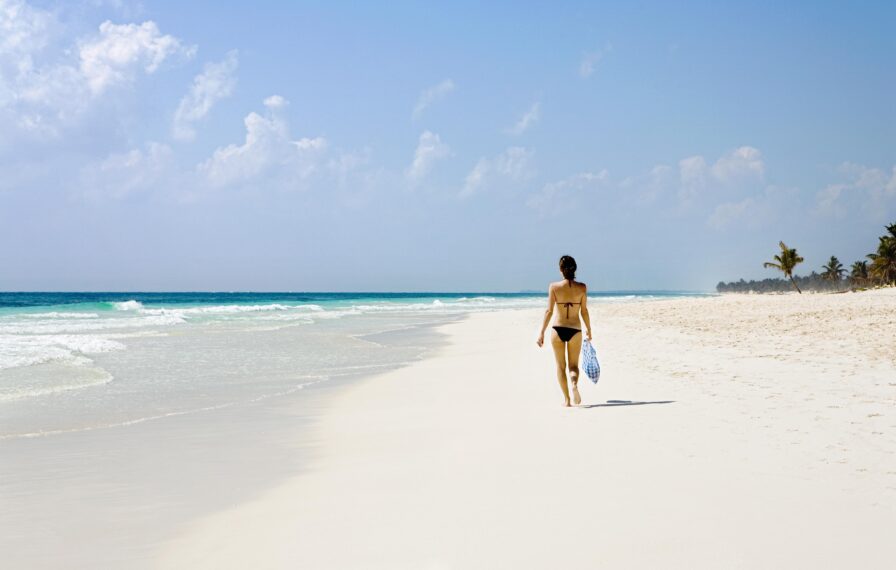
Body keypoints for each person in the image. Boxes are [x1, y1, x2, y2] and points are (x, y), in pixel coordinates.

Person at [536, 255, 592, 406]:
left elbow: (549, 311)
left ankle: (567, 400)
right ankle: (574, 384)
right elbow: (584, 311)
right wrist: (589, 329)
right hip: (575, 329)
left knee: (561, 366)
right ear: (575, 269)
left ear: (560, 270)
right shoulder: (582, 287)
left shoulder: (554, 287)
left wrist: (541, 332)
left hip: (558, 329)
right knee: (573, 366)